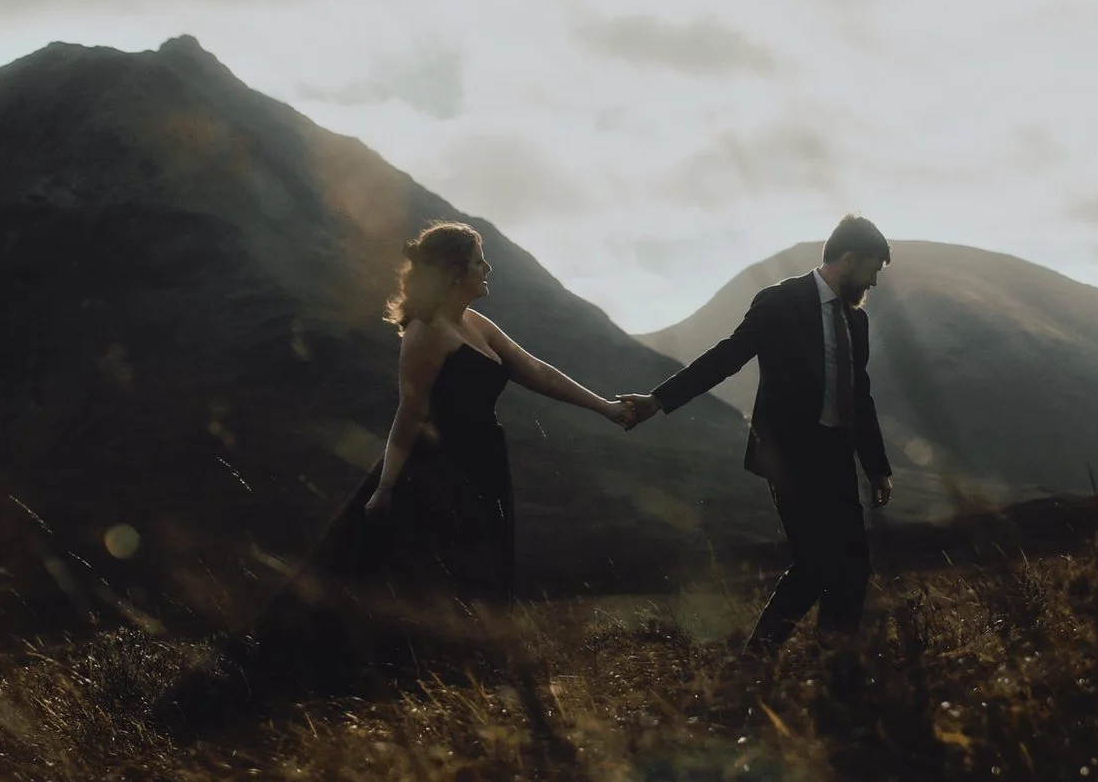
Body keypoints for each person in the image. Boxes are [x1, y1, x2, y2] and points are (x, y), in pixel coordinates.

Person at [309, 221, 635, 603]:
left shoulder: (473, 323)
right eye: (479, 261)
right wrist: (385, 487)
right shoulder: (425, 332)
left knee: (483, 568)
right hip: (438, 471)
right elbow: (411, 413)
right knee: (438, 574)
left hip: (484, 463)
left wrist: (605, 408)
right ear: (453, 272)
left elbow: (535, 370)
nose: (488, 269)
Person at [620, 215, 894, 654]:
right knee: (816, 563)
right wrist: (660, 399)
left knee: (853, 564)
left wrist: (877, 467)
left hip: (836, 455)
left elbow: (860, 396)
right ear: (848, 259)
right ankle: (756, 660)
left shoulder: (854, 321)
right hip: (788, 456)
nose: (875, 281)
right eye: (873, 268)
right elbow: (729, 355)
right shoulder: (780, 301)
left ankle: (836, 661)